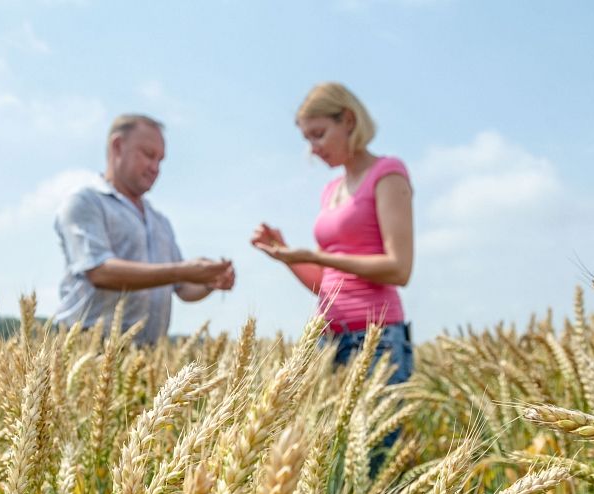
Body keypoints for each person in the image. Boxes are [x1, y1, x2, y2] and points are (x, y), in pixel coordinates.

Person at [251, 82, 413, 385]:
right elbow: (328, 283)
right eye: (307, 139)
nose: (313, 148)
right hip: (326, 340)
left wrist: (315, 255)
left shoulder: (387, 174)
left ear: (348, 120)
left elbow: (399, 268)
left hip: (376, 341)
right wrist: (286, 254)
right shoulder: (330, 191)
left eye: (319, 134)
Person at [51, 114, 235, 344]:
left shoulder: (160, 222)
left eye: (160, 160)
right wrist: (183, 270)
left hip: (146, 359)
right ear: (118, 146)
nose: (155, 168)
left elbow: (182, 288)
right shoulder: (86, 202)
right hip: (87, 349)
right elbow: (99, 271)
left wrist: (209, 282)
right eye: (149, 155)